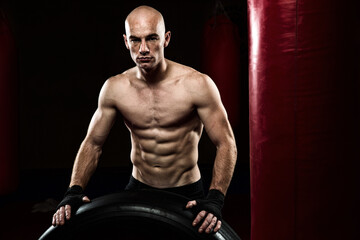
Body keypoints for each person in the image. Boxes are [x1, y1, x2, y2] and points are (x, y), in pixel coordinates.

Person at [52, 5, 237, 234]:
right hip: (138, 188)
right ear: (126, 42)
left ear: (166, 39)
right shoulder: (115, 88)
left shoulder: (197, 85)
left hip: (187, 192)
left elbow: (226, 143)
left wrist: (215, 198)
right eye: (135, 40)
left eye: (151, 38)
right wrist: (73, 191)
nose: (143, 49)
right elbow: (93, 143)